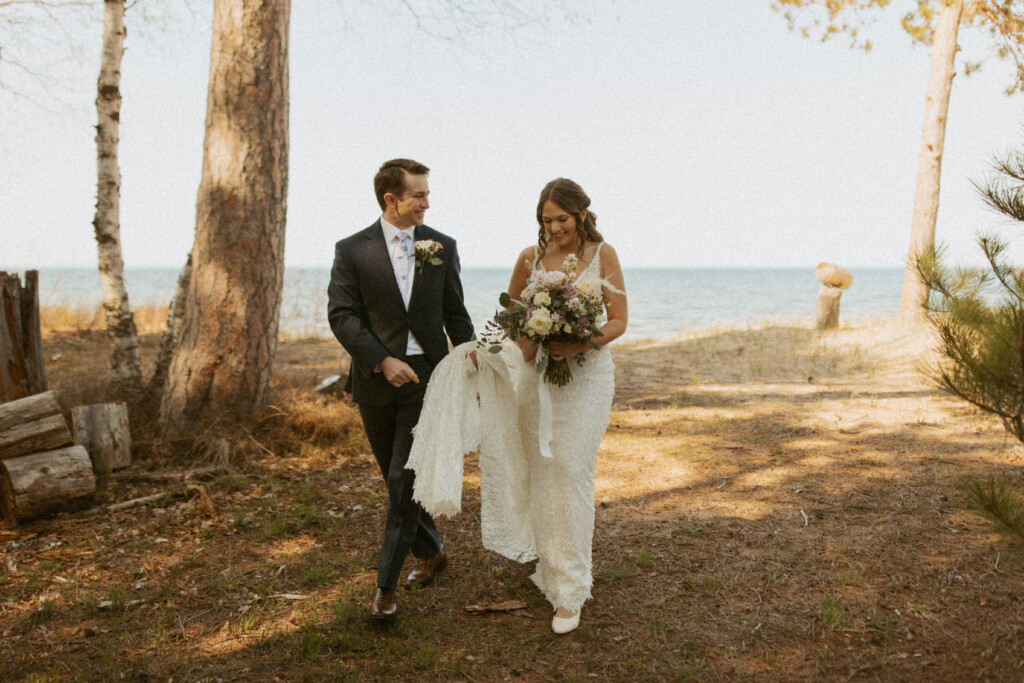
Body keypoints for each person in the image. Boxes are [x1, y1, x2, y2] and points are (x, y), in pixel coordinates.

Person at [327, 158, 475, 621]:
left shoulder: (441, 246)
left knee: (401, 480)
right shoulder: (352, 249)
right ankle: (432, 552)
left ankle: (385, 589)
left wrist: (470, 357)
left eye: (427, 194)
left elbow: (456, 312)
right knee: (397, 484)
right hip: (375, 379)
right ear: (391, 199)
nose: (426, 203)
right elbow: (342, 315)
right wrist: (381, 360)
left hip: (426, 379)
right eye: (418, 195)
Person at [505, 177, 628, 634]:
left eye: (561, 219)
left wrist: (579, 345)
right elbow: (513, 317)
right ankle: (551, 565)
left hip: (588, 377)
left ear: (580, 214)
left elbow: (619, 321)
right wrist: (529, 342)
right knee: (543, 472)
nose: (554, 228)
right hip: (538, 381)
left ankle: (571, 590)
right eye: (546, 220)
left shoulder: (603, 254)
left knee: (572, 471)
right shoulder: (528, 259)